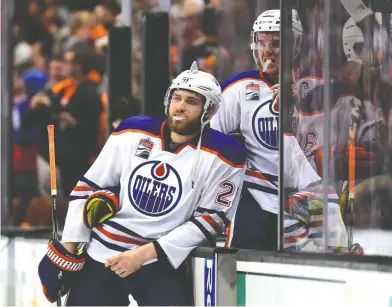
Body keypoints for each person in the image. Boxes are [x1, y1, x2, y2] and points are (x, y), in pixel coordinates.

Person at [38, 62, 246, 306]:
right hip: (104, 252)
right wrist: (70, 248)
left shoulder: (226, 155)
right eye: (177, 97)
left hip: (159, 259)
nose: (180, 106)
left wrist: (142, 255)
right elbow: (88, 187)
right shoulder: (133, 131)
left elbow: (211, 219)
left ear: (209, 111)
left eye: (191, 101)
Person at [210, 9, 348, 252]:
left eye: (275, 43)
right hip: (257, 197)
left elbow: (320, 145)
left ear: (294, 44)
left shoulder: (318, 89)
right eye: (261, 43)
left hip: (309, 195)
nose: (267, 51)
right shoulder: (238, 88)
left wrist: (295, 106)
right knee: (241, 262)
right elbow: (212, 145)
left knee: (331, 260)